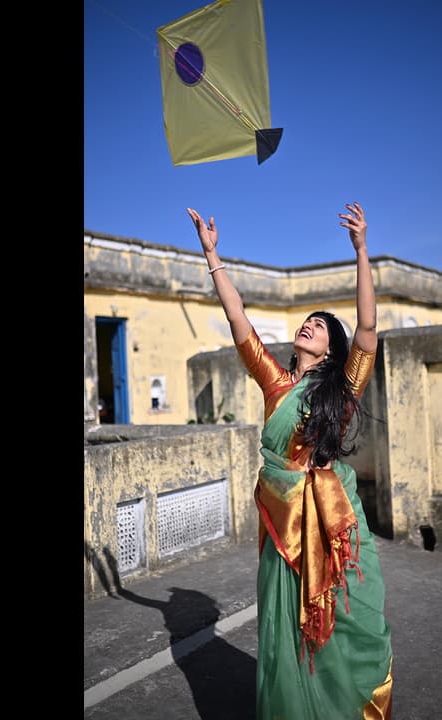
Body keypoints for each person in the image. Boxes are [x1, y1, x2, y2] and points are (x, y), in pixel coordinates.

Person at [186, 202, 394, 719]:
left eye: (320, 326)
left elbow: (368, 329)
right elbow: (238, 320)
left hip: (330, 522)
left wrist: (362, 251)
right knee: (284, 623)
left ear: (331, 349)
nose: (309, 326)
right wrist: (212, 256)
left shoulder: (342, 388)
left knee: (342, 621)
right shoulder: (275, 385)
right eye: (307, 322)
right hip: (281, 524)